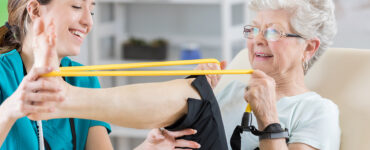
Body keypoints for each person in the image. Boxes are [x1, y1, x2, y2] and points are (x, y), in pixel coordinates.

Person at [0, 0, 201, 149]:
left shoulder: (84, 79)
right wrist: (9, 109)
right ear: (35, 10)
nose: (88, 22)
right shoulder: (3, 75)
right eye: (77, 6)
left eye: (92, 11)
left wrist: (149, 147)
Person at [198, 0, 341, 149]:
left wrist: (268, 119)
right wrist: (193, 92)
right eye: (254, 29)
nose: (257, 40)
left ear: (309, 48)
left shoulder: (317, 112)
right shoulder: (231, 91)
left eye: (273, 32)